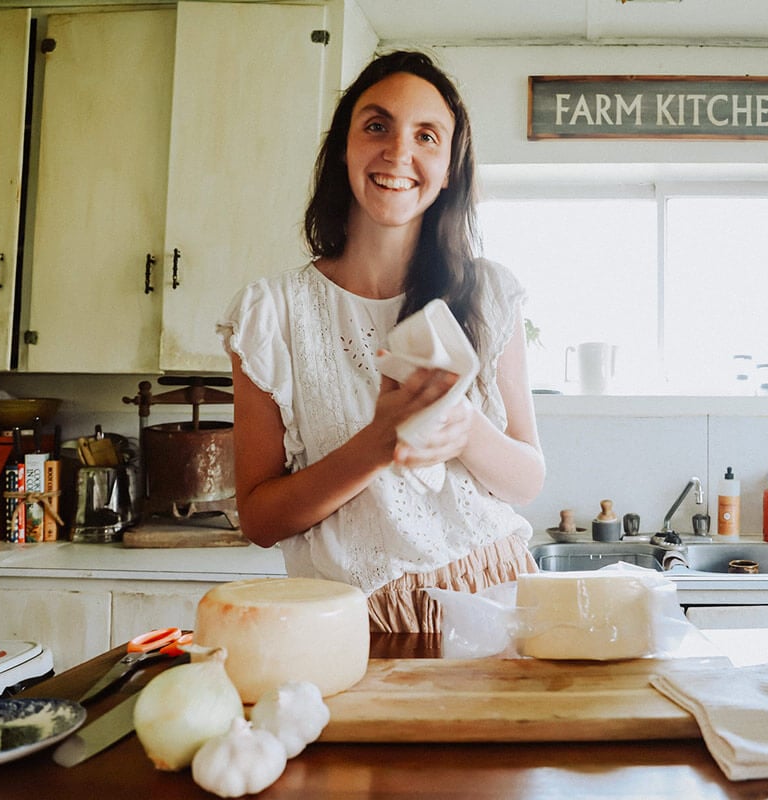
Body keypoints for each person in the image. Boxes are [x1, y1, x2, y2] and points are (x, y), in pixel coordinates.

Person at [217, 50, 545, 632]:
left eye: (427, 136)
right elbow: (261, 521)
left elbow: (526, 479)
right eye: (376, 126)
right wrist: (380, 441)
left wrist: (465, 428)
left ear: (448, 169)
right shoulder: (270, 314)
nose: (398, 153)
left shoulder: (489, 295)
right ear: (344, 148)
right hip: (350, 622)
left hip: (493, 594)